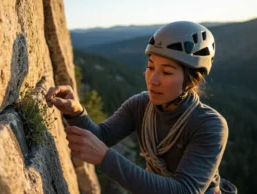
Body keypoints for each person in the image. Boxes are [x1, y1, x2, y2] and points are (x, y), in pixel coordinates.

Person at [45, 21, 229, 194]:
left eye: (166, 72)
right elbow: (102, 137)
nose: (153, 80)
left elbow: (184, 190)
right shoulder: (141, 104)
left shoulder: (209, 125)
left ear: (191, 80)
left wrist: (106, 158)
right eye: (150, 67)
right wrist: (76, 112)